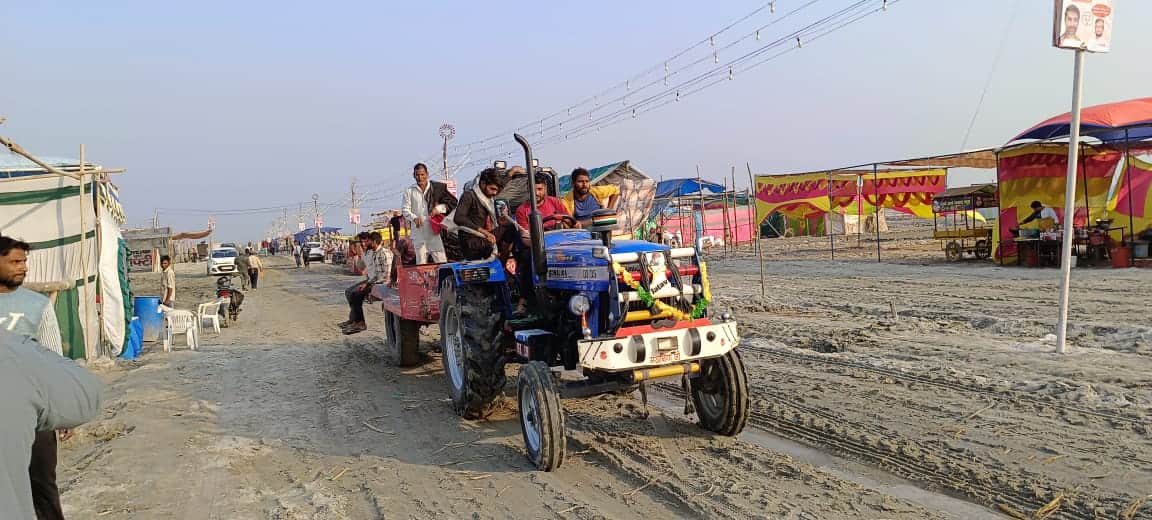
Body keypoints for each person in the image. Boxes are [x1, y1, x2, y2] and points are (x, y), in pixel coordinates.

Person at [0, 235, 74, 520]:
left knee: (42, 487)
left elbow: (53, 361)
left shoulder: (37, 306)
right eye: (15, 261)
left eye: (25, 261)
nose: (23, 267)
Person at [1, 328, 103, 520]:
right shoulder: (13, 345)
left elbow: (53, 348)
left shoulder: (36, 304)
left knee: (41, 487)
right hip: (34, 389)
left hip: (37, 400)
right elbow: (84, 391)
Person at [509, 176, 574, 316]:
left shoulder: (555, 202)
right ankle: (524, 300)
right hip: (536, 243)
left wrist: (570, 222)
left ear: (545, 188)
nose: (537, 193)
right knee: (527, 259)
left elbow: (570, 222)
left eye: (539, 189)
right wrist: (540, 243)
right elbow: (525, 238)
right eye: (533, 190)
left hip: (559, 240)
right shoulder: (523, 210)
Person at [401, 163, 458, 264]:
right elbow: (405, 210)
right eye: (417, 175)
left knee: (441, 261)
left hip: (434, 232)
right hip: (419, 233)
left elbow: (452, 202)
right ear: (413, 175)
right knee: (421, 263)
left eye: (422, 174)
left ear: (427, 174)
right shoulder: (409, 191)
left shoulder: (437, 188)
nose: (420, 177)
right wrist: (414, 218)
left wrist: (438, 209)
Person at [340, 232, 391, 335]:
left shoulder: (381, 253)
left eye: (366, 241)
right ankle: (354, 320)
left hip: (382, 283)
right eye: (362, 242)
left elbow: (385, 276)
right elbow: (364, 269)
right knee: (349, 292)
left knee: (355, 294)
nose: (365, 243)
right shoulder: (373, 252)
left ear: (373, 241)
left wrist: (368, 283)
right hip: (374, 280)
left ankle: (360, 322)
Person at [453, 168, 506, 261]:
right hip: (471, 242)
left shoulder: (489, 201)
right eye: (492, 189)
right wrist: (484, 232)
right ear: (483, 184)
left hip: (485, 238)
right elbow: (458, 218)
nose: (494, 193)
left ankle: (503, 261)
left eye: (496, 190)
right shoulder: (469, 196)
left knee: (510, 227)